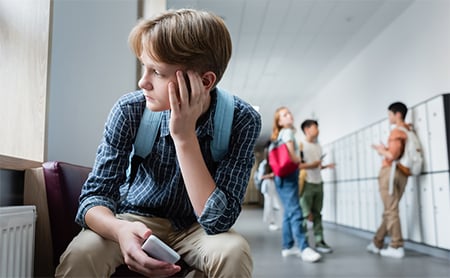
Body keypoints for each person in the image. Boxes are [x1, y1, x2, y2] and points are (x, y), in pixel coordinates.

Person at [55, 9, 261, 277]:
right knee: (83, 252)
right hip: (134, 219)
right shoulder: (129, 110)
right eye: (144, 66)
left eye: (158, 72)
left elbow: (218, 221)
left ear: (205, 81)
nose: (143, 82)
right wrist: (120, 230)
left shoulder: (242, 120)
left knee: (234, 252)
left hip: (198, 227)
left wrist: (184, 136)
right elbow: (93, 198)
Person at [270, 107, 321, 263]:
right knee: (296, 212)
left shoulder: (279, 135)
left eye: (289, 113)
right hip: (289, 176)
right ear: (280, 122)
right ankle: (304, 247)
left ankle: (288, 246)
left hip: (281, 177)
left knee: (287, 214)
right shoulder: (287, 133)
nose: (289, 115)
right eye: (284, 115)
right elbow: (292, 156)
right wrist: (300, 160)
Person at [367, 102, 410, 259]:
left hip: (390, 172)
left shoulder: (396, 132)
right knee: (390, 211)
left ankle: (396, 245)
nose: (389, 117)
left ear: (397, 114)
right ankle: (377, 242)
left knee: (390, 211)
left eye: (390, 114)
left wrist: (381, 150)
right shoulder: (408, 130)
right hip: (403, 173)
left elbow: (392, 155)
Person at [299, 119, 335, 253]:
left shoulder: (318, 146)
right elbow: (299, 166)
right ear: (307, 129)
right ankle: (305, 244)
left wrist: (324, 166)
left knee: (318, 214)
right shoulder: (300, 145)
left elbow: (317, 166)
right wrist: (313, 164)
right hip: (306, 183)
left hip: (318, 182)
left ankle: (320, 242)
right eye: (315, 127)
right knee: (304, 215)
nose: (318, 130)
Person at [254, 141, 283, 231]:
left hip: (273, 184)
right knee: (269, 204)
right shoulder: (264, 163)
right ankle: (271, 222)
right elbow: (260, 177)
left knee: (277, 204)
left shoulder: (276, 161)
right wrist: (271, 175)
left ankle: (277, 221)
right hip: (268, 185)